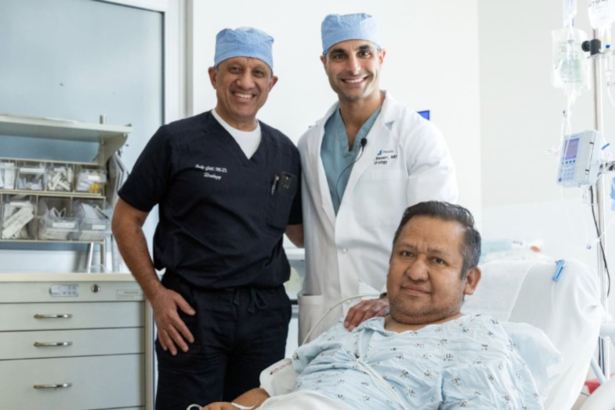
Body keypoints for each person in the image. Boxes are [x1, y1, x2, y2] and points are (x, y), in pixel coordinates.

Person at [111, 27, 303, 410]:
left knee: (255, 407)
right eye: (234, 69)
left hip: (264, 314)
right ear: (214, 76)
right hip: (193, 313)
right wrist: (156, 295)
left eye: (258, 72)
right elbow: (125, 219)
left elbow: (300, 233)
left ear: (272, 83)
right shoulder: (176, 141)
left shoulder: (285, 152)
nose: (245, 82)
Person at [202, 201, 544, 410]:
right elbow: (268, 391)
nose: (416, 272)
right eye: (406, 254)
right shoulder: (352, 328)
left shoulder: (477, 342)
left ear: (469, 280)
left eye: (437, 260)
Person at [297, 13, 459, 342]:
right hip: (325, 312)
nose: (353, 66)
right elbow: (302, 231)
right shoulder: (309, 143)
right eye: (339, 55)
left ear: (381, 57)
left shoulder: (417, 135)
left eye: (364, 52)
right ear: (324, 63)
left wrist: (391, 298)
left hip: (395, 311)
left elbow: (438, 233)